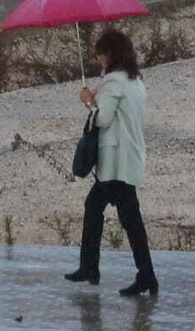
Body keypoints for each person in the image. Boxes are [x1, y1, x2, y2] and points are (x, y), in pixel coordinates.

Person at [65, 27, 157, 296]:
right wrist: (97, 94)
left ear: (110, 55)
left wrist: (88, 102)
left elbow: (102, 119)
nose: (99, 59)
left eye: (102, 54)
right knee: (125, 218)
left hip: (115, 163)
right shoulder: (134, 81)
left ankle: (93, 268)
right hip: (129, 159)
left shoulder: (114, 82)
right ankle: (143, 275)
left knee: (103, 211)